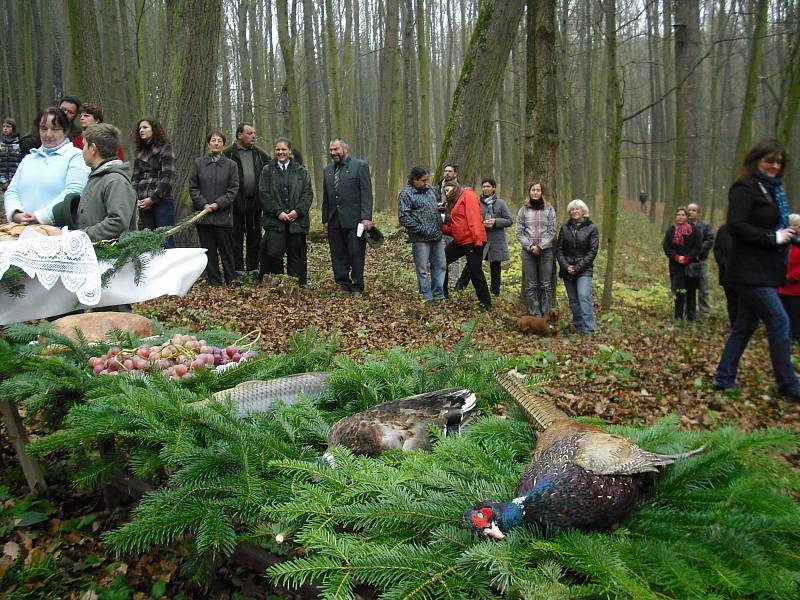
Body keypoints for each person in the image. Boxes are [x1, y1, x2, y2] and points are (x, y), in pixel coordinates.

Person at [712, 138, 800, 402]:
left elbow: (778, 229)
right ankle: (788, 385)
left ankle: (723, 377)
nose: (774, 166)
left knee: (744, 327)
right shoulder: (744, 188)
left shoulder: (773, 191)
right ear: (755, 160)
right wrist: (772, 238)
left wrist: (791, 238)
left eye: (778, 162)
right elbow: (736, 226)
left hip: (766, 271)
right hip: (748, 273)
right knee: (780, 322)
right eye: (768, 161)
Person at [3, 107, 89, 225]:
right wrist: (16, 213)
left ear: (66, 130)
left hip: (58, 233)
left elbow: (74, 192)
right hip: (22, 231)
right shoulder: (28, 159)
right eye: (44, 128)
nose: (48, 134)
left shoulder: (76, 157)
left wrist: (41, 216)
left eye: (55, 129)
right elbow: (12, 191)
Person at [259, 137, 313, 286]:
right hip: (275, 221)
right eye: (278, 149)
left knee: (296, 256)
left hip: (297, 222)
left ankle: (295, 285)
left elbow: (307, 194)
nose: (280, 152)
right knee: (274, 253)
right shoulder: (267, 170)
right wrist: (278, 212)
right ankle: (278, 283)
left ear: (290, 151)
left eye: (284, 149)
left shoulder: (301, 171)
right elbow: (264, 194)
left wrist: (297, 211)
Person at [322, 138, 373, 293]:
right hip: (334, 220)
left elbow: (366, 194)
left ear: (345, 149)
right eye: (331, 150)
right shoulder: (328, 170)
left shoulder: (360, 166)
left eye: (336, 149)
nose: (333, 153)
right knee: (338, 253)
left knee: (356, 253)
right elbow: (326, 197)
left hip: (355, 220)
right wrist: (325, 220)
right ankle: (343, 283)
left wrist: (366, 217)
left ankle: (357, 285)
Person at [189, 131, 239, 286]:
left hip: (223, 216)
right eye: (213, 140)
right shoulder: (199, 163)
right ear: (208, 144)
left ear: (224, 144)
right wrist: (203, 204)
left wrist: (218, 204)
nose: (216, 143)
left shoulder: (231, 165)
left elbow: (233, 189)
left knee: (227, 251)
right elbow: (193, 187)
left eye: (219, 141)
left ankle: (231, 280)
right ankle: (214, 280)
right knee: (209, 251)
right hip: (204, 216)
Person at [74, 123, 137, 241]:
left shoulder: (116, 181)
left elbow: (118, 223)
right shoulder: (98, 177)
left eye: (84, 146)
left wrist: (82, 236)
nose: (82, 151)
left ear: (93, 148)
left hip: (113, 257)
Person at [223, 123, 270, 275]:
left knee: (254, 238)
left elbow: (273, 168)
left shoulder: (259, 154)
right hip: (234, 205)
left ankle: (253, 269)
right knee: (235, 239)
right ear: (239, 135)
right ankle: (237, 270)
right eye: (250, 133)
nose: (253, 136)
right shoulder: (228, 154)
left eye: (254, 133)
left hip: (255, 205)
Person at [454, 177, 513, 296]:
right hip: (480, 238)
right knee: (472, 264)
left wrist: (495, 221)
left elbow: (509, 220)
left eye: (488, 186)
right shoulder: (477, 202)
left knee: (495, 267)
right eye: (484, 186)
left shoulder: (501, 203)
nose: (485, 189)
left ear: (494, 188)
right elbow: (471, 217)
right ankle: (460, 287)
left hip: (496, 239)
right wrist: (482, 223)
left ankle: (495, 293)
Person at [397, 166, 446, 302]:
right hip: (420, 238)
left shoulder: (429, 190)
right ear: (414, 180)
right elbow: (403, 217)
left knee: (440, 265)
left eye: (427, 180)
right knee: (423, 269)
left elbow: (434, 204)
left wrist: (439, 208)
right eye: (423, 180)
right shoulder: (406, 194)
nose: (426, 183)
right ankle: (426, 296)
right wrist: (421, 228)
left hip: (436, 235)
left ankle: (438, 294)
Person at [441, 181, 491, 309]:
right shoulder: (455, 202)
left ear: (456, 188)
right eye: (445, 191)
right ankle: (442, 294)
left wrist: (478, 240)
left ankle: (485, 302)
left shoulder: (467, 195)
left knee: (475, 271)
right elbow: (456, 226)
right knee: (442, 261)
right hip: (460, 241)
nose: (447, 193)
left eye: (449, 189)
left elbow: (474, 217)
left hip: (473, 240)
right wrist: (441, 227)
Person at [556, 198, 599, 335]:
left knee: (584, 296)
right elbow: (559, 249)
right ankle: (578, 325)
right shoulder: (565, 228)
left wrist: (578, 267)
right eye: (572, 210)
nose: (575, 211)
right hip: (567, 269)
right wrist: (566, 265)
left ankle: (589, 329)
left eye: (577, 209)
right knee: (573, 300)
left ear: (583, 211)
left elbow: (593, 251)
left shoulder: (592, 228)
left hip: (584, 269)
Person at [132, 117, 176, 245]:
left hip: (162, 201)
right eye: (139, 128)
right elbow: (135, 177)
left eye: (145, 127)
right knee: (149, 242)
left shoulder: (166, 148)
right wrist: (137, 197)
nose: (141, 130)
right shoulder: (139, 153)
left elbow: (168, 177)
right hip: (143, 203)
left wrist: (153, 198)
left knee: (165, 240)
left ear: (154, 130)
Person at [516, 181, 557, 316]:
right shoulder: (523, 210)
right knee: (531, 285)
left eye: (538, 190)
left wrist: (540, 246)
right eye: (533, 190)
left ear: (542, 193)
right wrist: (530, 246)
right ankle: (535, 314)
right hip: (528, 252)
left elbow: (552, 231)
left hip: (546, 251)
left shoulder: (549, 209)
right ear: (529, 192)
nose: (535, 192)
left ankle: (545, 315)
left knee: (546, 285)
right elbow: (519, 232)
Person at [662, 207, 702, 321]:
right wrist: (676, 256)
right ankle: (678, 317)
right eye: (678, 214)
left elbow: (697, 247)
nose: (680, 217)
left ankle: (691, 318)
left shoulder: (695, 231)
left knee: (691, 293)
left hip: (691, 266)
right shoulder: (671, 231)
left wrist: (687, 258)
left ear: (687, 217)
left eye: (683, 215)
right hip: (676, 266)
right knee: (679, 292)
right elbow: (666, 247)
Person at [686, 203, 714, 318]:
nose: (691, 212)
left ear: (698, 213)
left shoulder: (705, 226)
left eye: (693, 210)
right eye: (689, 210)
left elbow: (710, 240)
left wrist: (697, 250)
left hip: (702, 261)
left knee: (704, 288)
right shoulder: (684, 226)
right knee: (687, 289)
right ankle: (688, 312)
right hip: (687, 262)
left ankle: (705, 313)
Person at [778, 213, 800, 342]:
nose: (793, 228)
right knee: (782, 313)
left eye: (796, 225)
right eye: (791, 225)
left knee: (795, 314)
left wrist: (791, 277)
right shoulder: (786, 242)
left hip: (796, 288)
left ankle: (795, 335)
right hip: (782, 285)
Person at [713, 223, 738, 326]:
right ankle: (733, 323)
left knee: (742, 300)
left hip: (743, 272)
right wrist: (724, 263)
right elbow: (717, 249)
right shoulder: (723, 230)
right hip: (726, 272)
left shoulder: (747, 229)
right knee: (731, 299)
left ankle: (741, 324)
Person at [0, 118, 20, 192]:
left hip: (15, 177)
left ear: (13, 128)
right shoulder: (1, 144)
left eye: (8, 127)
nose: (5, 128)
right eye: (4, 127)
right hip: (2, 179)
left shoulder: (18, 143)